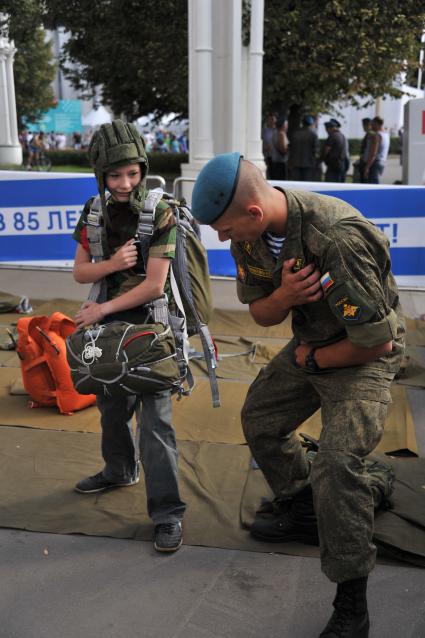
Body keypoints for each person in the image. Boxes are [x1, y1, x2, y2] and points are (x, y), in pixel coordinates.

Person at [190, 152, 405, 638]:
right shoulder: (251, 237)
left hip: (364, 355)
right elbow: (262, 315)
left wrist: (314, 361)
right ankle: (305, 504)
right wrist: (285, 298)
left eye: (225, 229)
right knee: (260, 417)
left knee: (337, 464)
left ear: (253, 213)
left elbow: (379, 341)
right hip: (316, 341)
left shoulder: (337, 238)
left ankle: (352, 604)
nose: (223, 240)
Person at [72, 120, 186, 552]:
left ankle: (168, 512)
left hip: (150, 325)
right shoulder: (93, 211)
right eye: (115, 175)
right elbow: (81, 270)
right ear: (100, 174)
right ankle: (119, 469)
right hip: (106, 325)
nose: (124, 183)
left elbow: (155, 285)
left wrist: (101, 307)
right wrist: (115, 263)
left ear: (143, 168)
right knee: (110, 405)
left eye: (132, 173)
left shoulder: (161, 211)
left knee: (155, 423)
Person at [287, 114, 320, 181]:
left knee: (297, 185)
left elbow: (291, 148)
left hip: (296, 163)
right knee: (307, 185)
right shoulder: (313, 134)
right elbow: (316, 150)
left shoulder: (295, 134)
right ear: (311, 123)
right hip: (309, 164)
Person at [363, 116, 390, 184]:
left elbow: (373, 153)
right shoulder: (386, 134)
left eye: (372, 123)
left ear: (377, 124)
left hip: (375, 163)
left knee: (373, 185)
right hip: (382, 161)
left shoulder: (376, 136)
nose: (371, 126)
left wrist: (367, 167)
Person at [269, 115, 289, 180]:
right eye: (286, 124)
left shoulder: (275, 133)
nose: (287, 126)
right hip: (280, 163)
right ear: (283, 125)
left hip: (275, 161)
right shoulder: (281, 134)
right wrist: (288, 148)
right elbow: (282, 149)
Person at [262, 113, 277, 179]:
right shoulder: (264, 131)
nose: (272, 121)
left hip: (277, 157)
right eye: (271, 119)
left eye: (273, 119)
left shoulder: (277, 131)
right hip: (267, 156)